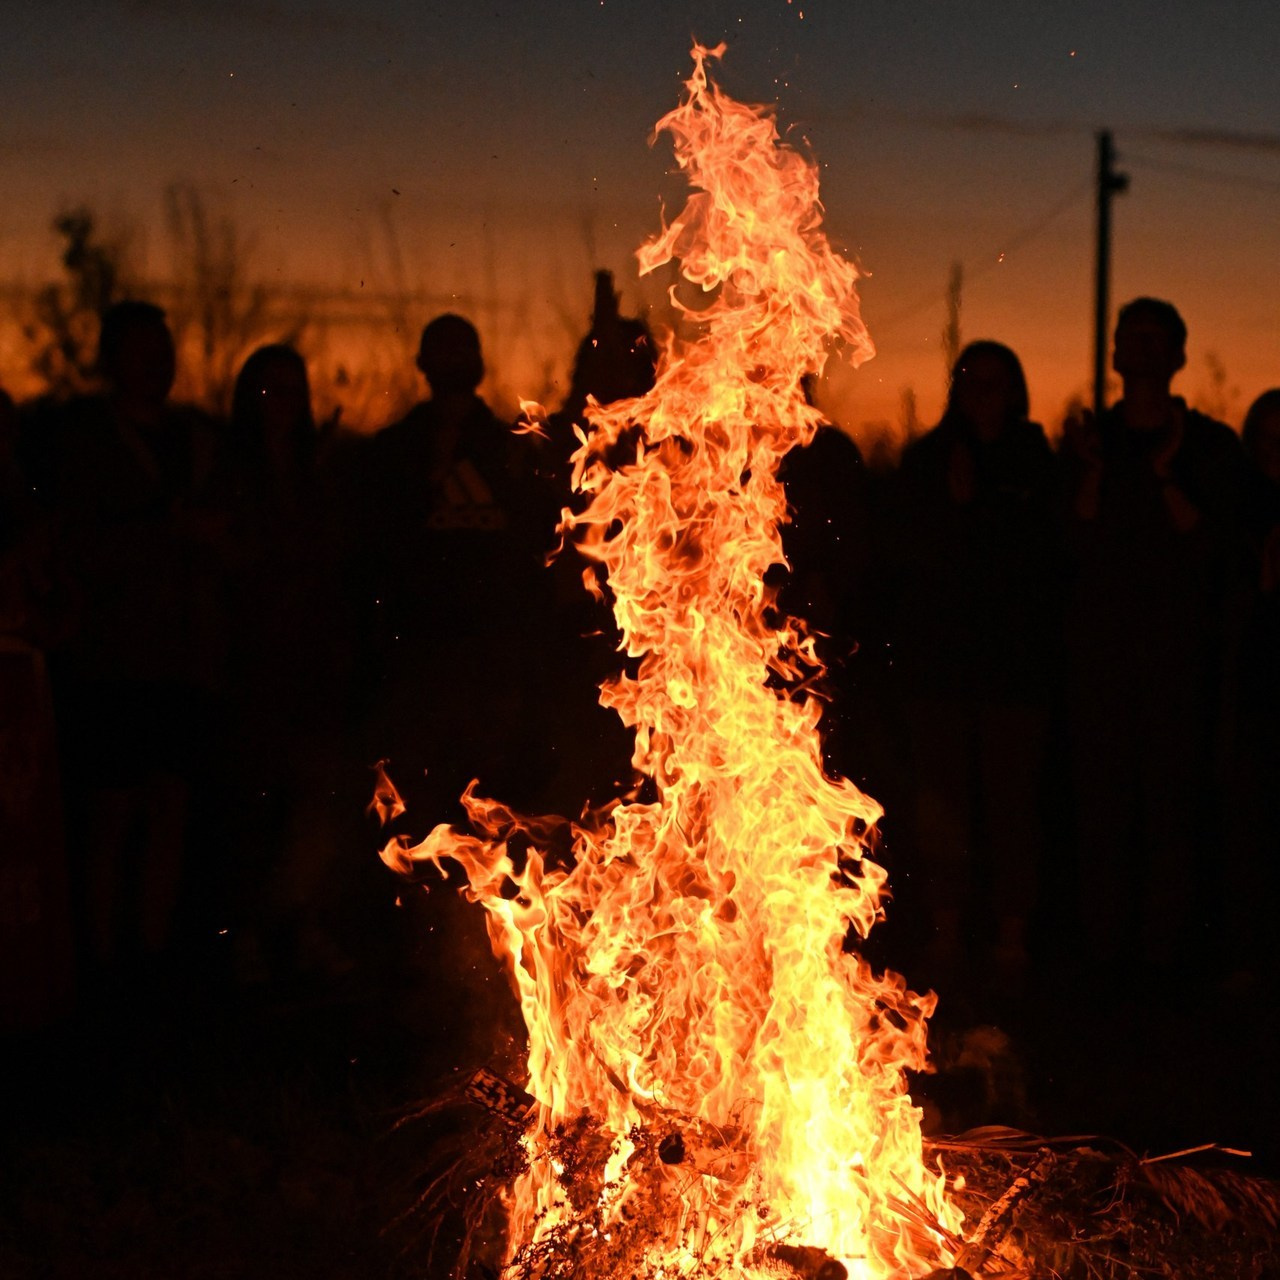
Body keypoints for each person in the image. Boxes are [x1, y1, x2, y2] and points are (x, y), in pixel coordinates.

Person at [1060, 298, 1249, 981]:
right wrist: (1092, 472)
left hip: (1176, 662)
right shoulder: (1089, 442)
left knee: (1171, 812)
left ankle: (1166, 961)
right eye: (1128, 337)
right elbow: (1070, 548)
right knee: (1102, 810)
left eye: (1153, 338)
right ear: (1114, 355)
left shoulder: (1209, 447)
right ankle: (1106, 959)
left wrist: (1167, 474)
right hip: (1101, 665)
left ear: (1177, 356)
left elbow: (1212, 549)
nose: (1138, 349)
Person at [49, 301, 222, 985]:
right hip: (113, 656)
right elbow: (78, 544)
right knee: (111, 811)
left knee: (170, 805)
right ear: (113, 357)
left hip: (184, 655)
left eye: (163, 347)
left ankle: (149, 957)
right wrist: (163, 535)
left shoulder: (197, 442)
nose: (156, 361)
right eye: (140, 348)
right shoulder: (84, 443)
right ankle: (100, 957)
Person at [887, 341, 1059, 1008]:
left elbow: (1044, 556)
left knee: (1013, 806)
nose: (984, 396)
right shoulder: (929, 462)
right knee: (944, 806)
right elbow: (910, 556)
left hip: (1014, 669)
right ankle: (947, 931)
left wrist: (981, 508)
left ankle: (1012, 936)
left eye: (996, 384)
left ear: (1013, 392)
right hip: (941, 667)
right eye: (972, 384)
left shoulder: (1036, 463)